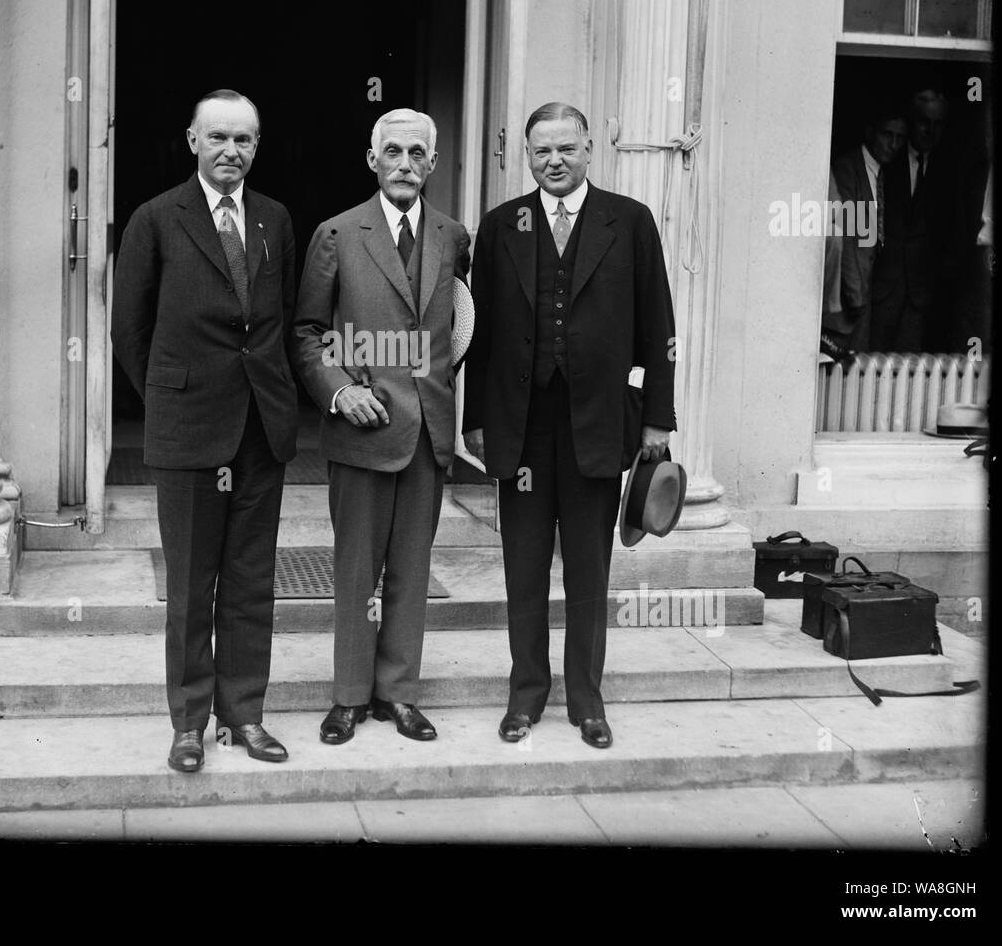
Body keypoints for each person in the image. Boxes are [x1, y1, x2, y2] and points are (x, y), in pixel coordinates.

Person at [463, 102, 676, 750]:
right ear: (526, 156)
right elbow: (480, 335)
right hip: (521, 428)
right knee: (523, 567)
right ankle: (526, 693)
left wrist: (657, 421)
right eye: (541, 151)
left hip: (598, 425)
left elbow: (658, 327)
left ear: (589, 149)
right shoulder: (503, 226)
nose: (554, 161)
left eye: (566, 149)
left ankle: (586, 699)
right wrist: (474, 422)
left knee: (588, 569)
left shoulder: (629, 222)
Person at [111, 89, 298, 774]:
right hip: (190, 429)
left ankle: (244, 713)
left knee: (251, 580)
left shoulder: (276, 218)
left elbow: (279, 320)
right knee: (192, 584)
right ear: (193, 140)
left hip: (261, 428)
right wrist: (173, 396)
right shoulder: (156, 219)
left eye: (243, 139)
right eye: (217, 137)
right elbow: (130, 329)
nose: (230, 151)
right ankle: (189, 723)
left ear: (256, 146)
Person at [292, 108, 471, 746]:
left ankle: (398, 694)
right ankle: (347, 698)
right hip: (362, 431)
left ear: (432, 162)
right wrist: (339, 391)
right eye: (391, 152)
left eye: (416, 153)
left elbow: (462, 326)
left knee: (412, 568)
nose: (404, 164)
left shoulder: (453, 237)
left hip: (427, 433)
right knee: (356, 568)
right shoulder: (338, 234)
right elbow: (308, 333)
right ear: (373, 160)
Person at [871, 87, 951, 352]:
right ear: (912, 120)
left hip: (920, 296)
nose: (930, 131)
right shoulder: (887, 158)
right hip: (883, 289)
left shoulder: (948, 168)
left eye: (938, 124)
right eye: (924, 122)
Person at [823, 105, 907, 354]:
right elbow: (846, 236)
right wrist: (855, 296)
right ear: (871, 132)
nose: (893, 144)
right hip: (849, 301)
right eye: (887, 135)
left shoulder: (884, 174)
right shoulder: (848, 168)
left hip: (866, 297)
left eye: (900, 138)